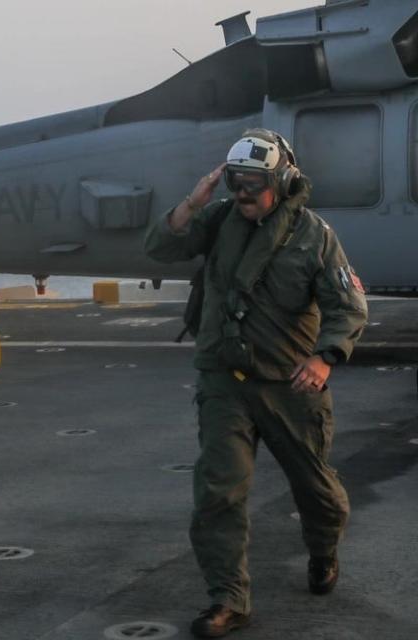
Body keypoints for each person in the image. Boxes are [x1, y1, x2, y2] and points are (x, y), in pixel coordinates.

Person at [144, 129, 367, 638]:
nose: (242, 194)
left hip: (291, 387)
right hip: (225, 382)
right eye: (235, 182)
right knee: (218, 494)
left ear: (283, 179)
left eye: (254, 184)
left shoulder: (314, 235)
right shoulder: (219, 220)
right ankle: (228, 599)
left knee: (320, 495)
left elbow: (348, 306)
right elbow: (160, 246)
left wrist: (325, 358)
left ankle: (323, 551)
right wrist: (193, 202)